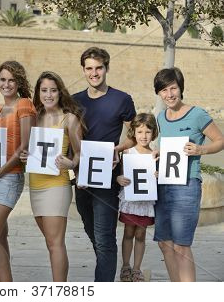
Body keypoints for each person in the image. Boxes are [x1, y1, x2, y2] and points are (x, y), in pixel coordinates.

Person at [72, 47, 136, 282]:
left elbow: (134, 135)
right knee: (93, 234)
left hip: (108, 179)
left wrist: (117, 150)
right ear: (84, 71)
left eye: (98, 67)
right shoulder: (75, 101)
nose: (94, 73)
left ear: (106, 68)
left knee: (105, 238)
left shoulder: (122, 99)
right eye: (89, 68)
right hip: (81, 179)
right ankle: (107, 271)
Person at [153, 67, 224, 282]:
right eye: (164, 90)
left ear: (180, 89)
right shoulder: (161, 118)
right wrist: (158, 155)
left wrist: (201, 150)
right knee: (164, 243)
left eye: (173, 88)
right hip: (163, 185)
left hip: (187, 186)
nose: (169, 94)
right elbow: (167, 150)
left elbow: (220, 140)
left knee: (181, 246)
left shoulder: (197, 114)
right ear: (159, 93)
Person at [20, 71, 85, 281]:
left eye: (53, 90)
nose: (48, 95)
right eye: (44, 90)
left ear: (60, 92)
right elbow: (31, 151)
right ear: (38, 93)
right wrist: (24, 156)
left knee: (56, 243)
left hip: (57, 186)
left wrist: (72, 162)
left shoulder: (69, 119)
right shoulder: (34, 118)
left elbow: (81, 153)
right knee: (50, 242)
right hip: (36, 186)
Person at [0, 61, 36, 281]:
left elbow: (24, 145)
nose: (7, 84)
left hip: (8, 176)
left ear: (19, 82)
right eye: (3, 79)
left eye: (11, 80)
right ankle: (4, 281)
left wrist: (1, 170)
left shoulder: (24, 105)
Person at [116, 113, 158, 282]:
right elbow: (119, 174)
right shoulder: (127, 152)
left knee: (141, 235)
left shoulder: (155, 155)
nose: (143, 136)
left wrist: (157, 175)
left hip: (145, 201)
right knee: (128, 232)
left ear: (153, 133)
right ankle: (125, 265)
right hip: (130, 200)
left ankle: (137, 268)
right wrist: (119, 179)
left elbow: (159, 178)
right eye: (139, 132)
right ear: (133, 132)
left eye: (147, 132)